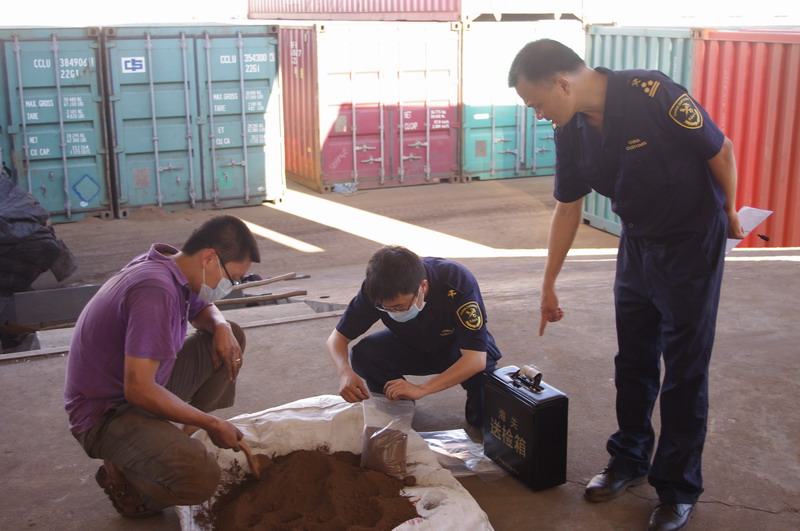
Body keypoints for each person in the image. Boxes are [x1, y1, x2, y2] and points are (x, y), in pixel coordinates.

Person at [508, 39, 744, 531]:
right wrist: (548, 282)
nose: (537, 114)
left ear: (563, 83)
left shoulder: (652, 92)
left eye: (536, 104)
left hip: (690, 245)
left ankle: (678, 488)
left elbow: (719, 148)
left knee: (684, 369)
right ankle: (629, 459)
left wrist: (728, 211)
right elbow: (568, 205)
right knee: (633, 360)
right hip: (636, 244)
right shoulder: (570, 127)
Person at [64, 215, 261, 518]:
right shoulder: (155, 291)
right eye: (231, 278)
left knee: (230, 338)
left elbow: (202, 309)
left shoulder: (171, 267)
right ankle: (125, 478)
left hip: (140, 386)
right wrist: (212, 424)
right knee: (201, 478)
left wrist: (221, 325)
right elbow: (139, 389)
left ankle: (168, 441)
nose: (228, 287)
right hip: (105, 413)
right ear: (209, 258)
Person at [326, 245, 502, 429]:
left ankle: (479, 416)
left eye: (400, 307)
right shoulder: (375, 290)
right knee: (364, 354)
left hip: (457, 348)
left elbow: (475, 358)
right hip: (413, 345)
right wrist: (344, 371)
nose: (393, 312)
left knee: (484, 409)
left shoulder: (454, 280)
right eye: (385, 308)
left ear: (422, 286)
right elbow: (336, 338)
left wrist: (422, 389)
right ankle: (399, 405)